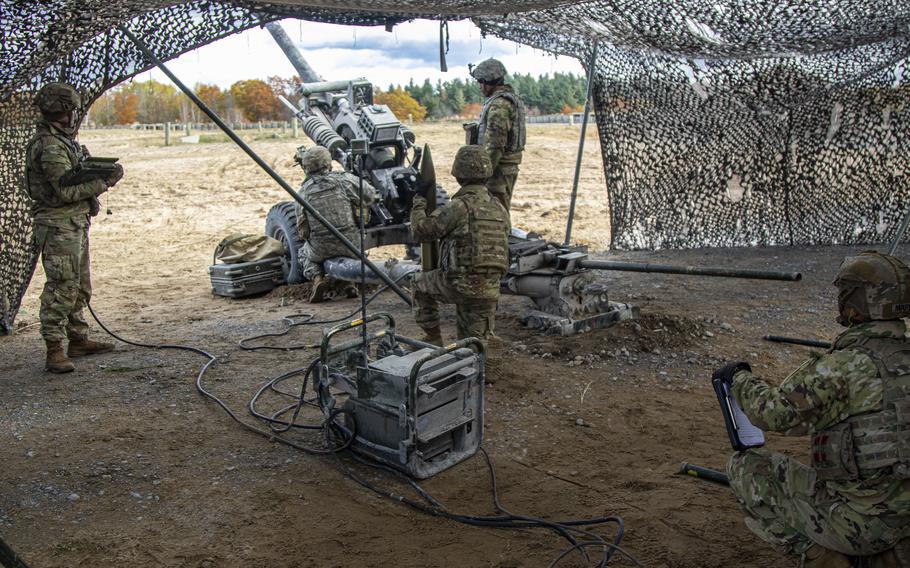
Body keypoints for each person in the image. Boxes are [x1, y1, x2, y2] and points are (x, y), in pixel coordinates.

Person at [717, 251, 910, 567]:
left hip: (866, 524)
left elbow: (774, 414)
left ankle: (830, 560)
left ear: (852, 303)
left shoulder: (842, 369)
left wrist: (738, 379)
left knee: (747, 467)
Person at [25, 82, 123, 374]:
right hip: (58, 225)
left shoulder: (62, 140)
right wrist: (105, 181)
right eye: (72, 109)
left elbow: (72, 180)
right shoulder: (51, 146)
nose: (75, 115)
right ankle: (54, 349)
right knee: (61, 287)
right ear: (63, 110)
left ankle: (78, 339)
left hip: (73, 222)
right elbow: (64, 192)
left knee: (79, 285)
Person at [409, 145, 509, 347]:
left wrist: (419, 202)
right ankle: (484, 357)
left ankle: (433, 337)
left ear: (458, 174)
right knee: (473, 342)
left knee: (418, 283)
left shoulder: (459, 206)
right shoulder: (499, 208)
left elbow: (422, 231)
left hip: (458, 285)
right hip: (490, 287)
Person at [295, 146, 377, 303]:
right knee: (356, 250)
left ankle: (318, 279)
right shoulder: (344, 180)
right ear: (328, 163)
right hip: (351, 243)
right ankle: (349, 282)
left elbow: (302, 231)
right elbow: (370, 195)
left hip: (321, 247)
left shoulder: (302, 192)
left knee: (304, 254)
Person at [470, 58, 526, 213]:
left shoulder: (499, 105)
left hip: (499, 168)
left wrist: (484, 173)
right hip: (503, 166)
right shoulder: (505, 100)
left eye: (481, 81)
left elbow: (495, 144)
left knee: (497, 211)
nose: (479, 86)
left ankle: (501, 237)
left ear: (488, 81)